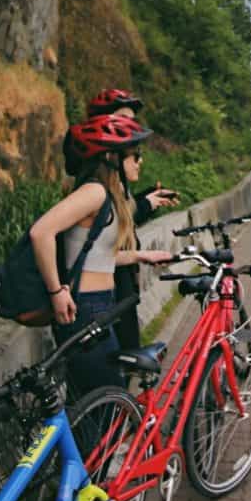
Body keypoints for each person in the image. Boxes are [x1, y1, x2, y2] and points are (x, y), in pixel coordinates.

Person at [29, 114, 174, 397]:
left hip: (100, 306)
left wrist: (141, 256)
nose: (140, 161)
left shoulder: (106, 195)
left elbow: (97, 259)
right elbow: (40, 233)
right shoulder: (94, 192)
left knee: (93, 401)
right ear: (111, 156)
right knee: (108, 398)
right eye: (135, 155)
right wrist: (57, 291)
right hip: (85, 308)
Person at [66, 87, 178, 349]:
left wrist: (148, 200)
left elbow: (121, 212)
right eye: (122, 119)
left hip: (118, 270)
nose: (129, 125)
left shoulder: (113, 177)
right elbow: (104, 221)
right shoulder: (94, 182)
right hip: (101, 285)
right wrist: (56, 292)